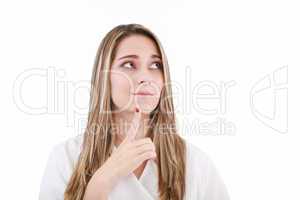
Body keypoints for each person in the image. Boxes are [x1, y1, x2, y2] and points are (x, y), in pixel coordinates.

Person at [39, 23, 230, 200]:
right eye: (129, 64)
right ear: (104, 77)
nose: (145, 77)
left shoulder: (195, 164)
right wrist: (101, 183)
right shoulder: (65, 158)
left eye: (156, 65)